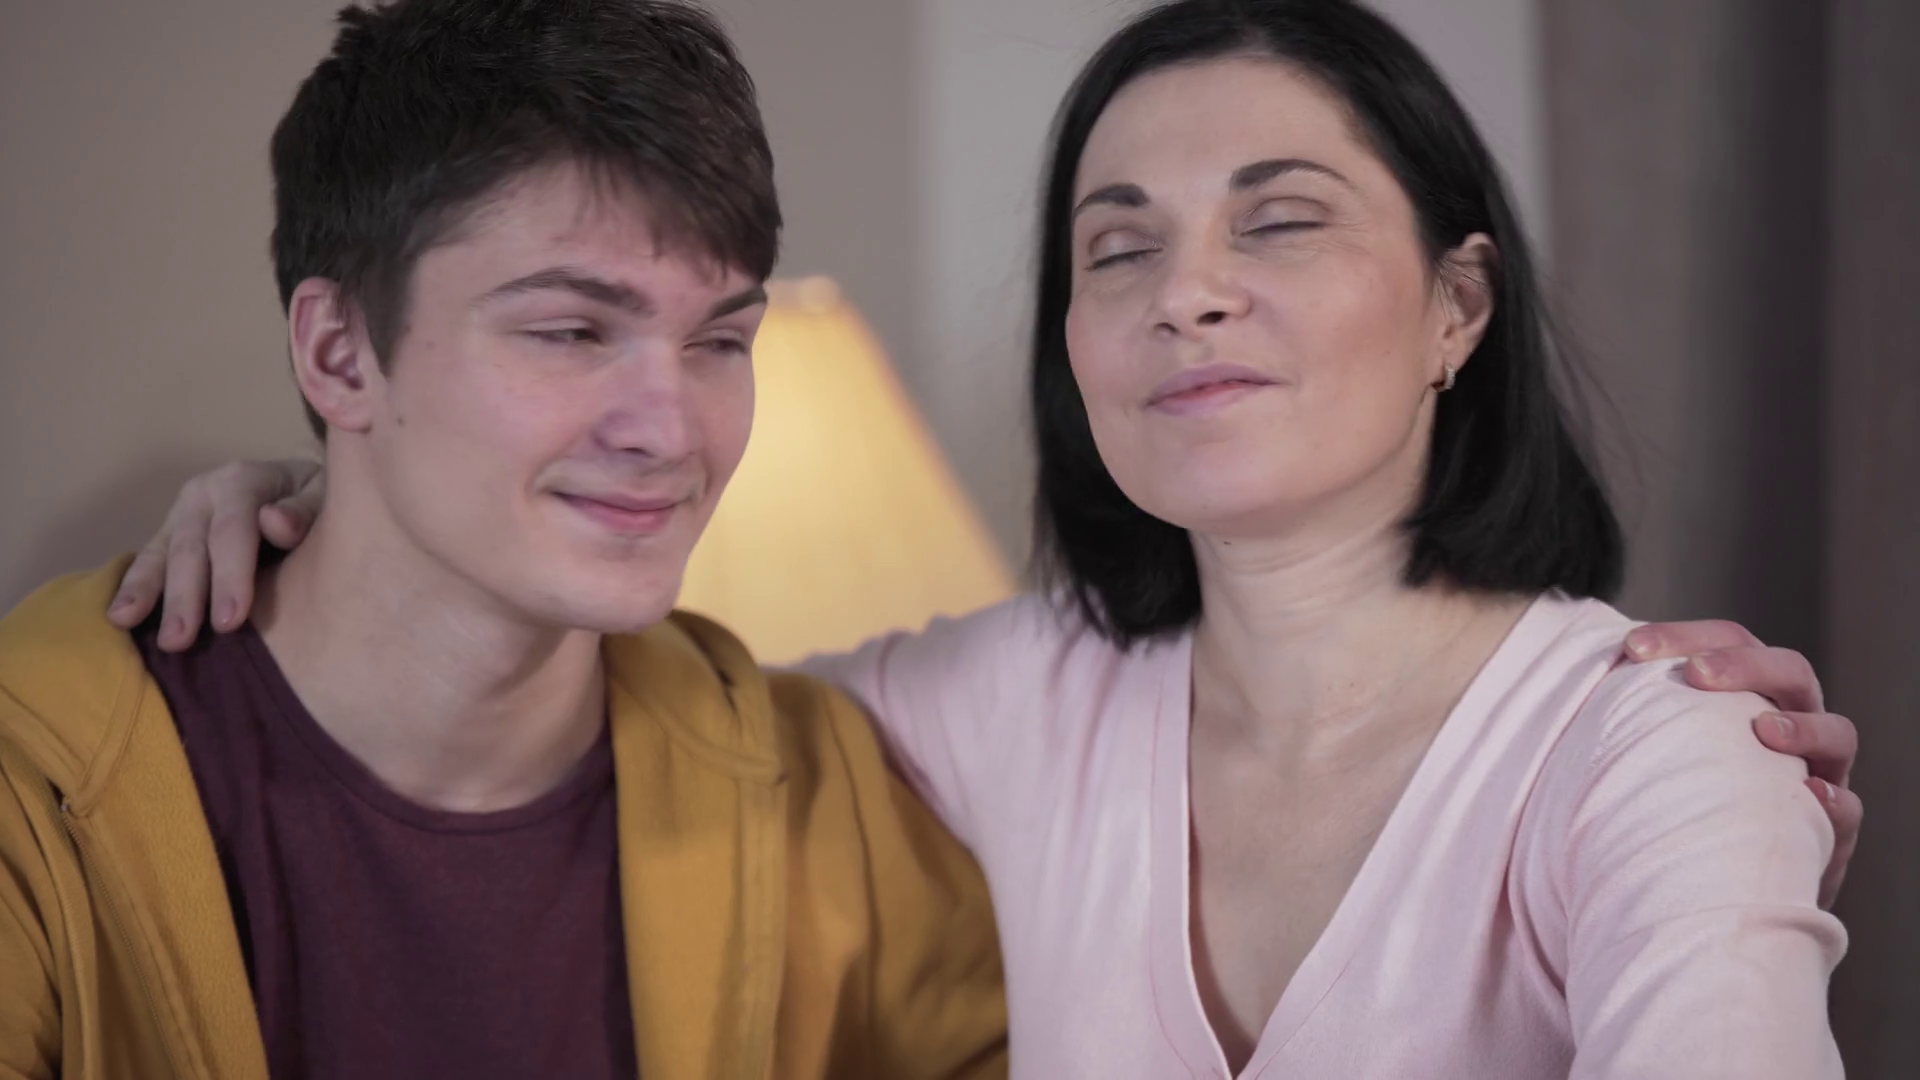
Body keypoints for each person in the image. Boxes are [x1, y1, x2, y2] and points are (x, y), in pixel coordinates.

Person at [108, 0, 1864, 1078]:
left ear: (1457, 309)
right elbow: (577, 690)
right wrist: (314, 501)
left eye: (1280, 221)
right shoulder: (987, 709)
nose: (1188, 293)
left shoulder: (1657, 754)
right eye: (1119, 246)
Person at [0, 3, 1008, 1078]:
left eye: (719, 340)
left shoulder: (826, 792)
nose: (671, 434)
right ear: (338, 355)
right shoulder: (35, 796)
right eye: (571, 331)